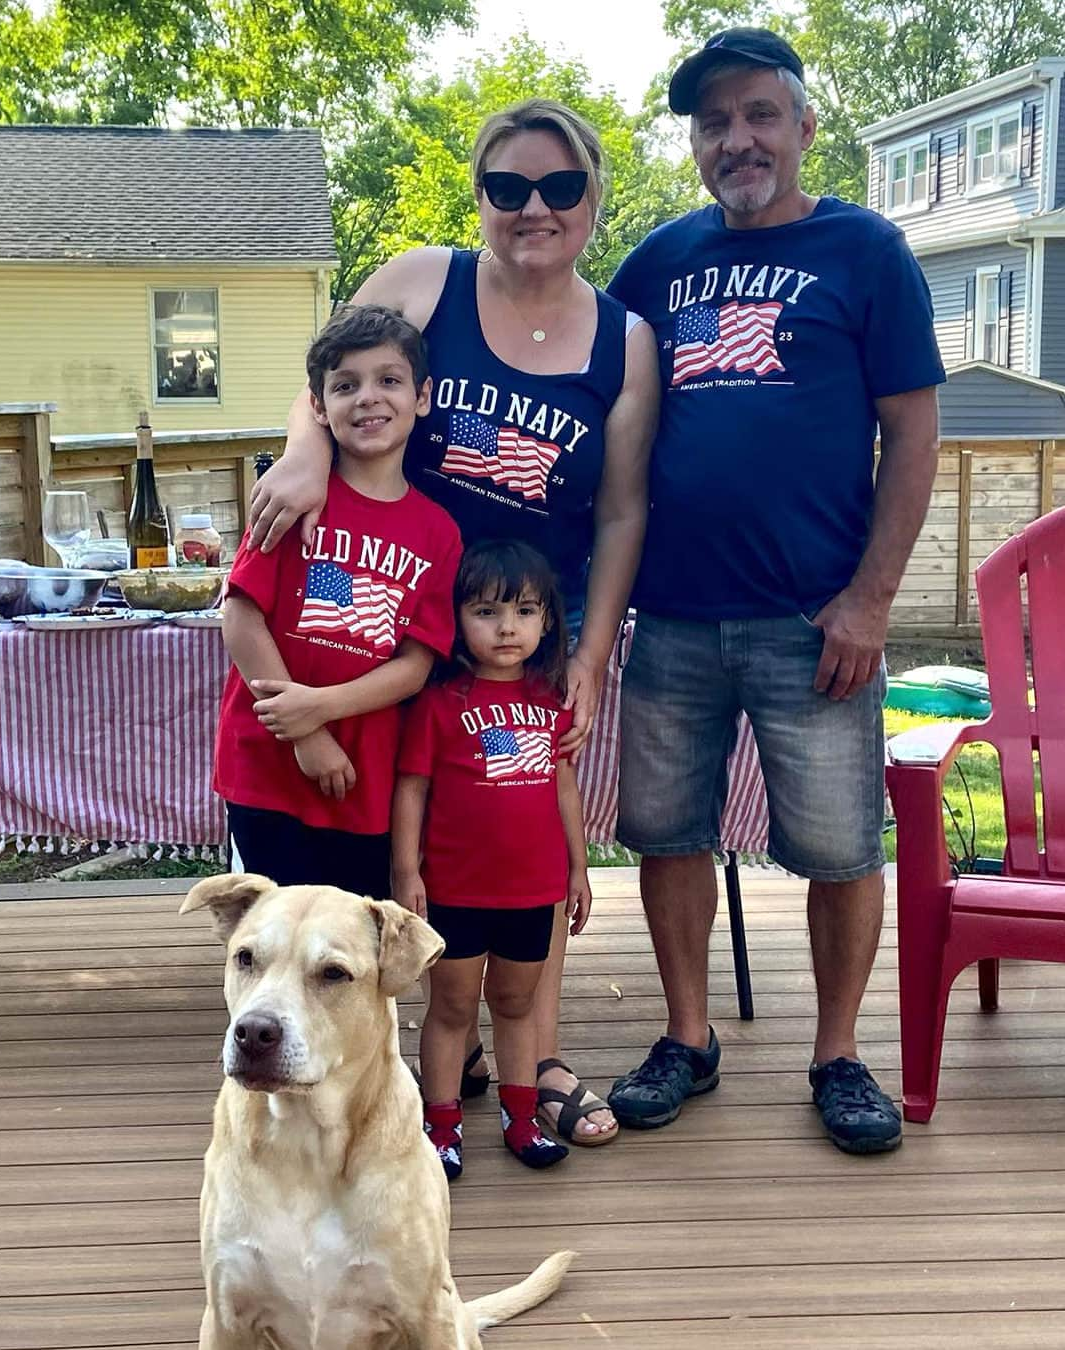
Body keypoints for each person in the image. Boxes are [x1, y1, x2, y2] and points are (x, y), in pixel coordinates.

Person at [247, 98, 660, 1145]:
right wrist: (301, 453)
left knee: (521, 819)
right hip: (397, 609)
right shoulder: (422, 280)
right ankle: (432, 1040)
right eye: (507, 187)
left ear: (593, 197)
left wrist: (594, 651)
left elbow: (619, 508)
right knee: (411, 822)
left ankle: (538, 1047)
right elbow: (330, 371)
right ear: (478, 196)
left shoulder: (625, 338)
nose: (534, 208)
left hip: (525, 627)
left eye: (560, 187)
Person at [605, 28, 946, 1154]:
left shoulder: (868, 252)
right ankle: (688, 1037)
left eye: (758, 114)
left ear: (803, 126)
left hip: (818, 624)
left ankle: (839, 1055)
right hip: (674, 618)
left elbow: (913, 433)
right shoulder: (656, 263)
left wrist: (870, 601)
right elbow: (575, 372)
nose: (735, 139)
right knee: (665, 835)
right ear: (697, 145)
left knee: (844, 848)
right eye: (713, 123)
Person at [213, 304, 461, 896]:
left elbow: (416, 664)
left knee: (348, 948)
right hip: (268, 766)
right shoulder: (294, 498)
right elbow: (240, 613)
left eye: (389, 381)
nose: (368, 398)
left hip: (362, 779)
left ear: (422, 397)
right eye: (345, 386)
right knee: (271, 941)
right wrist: (304, 734)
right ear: (319, 406)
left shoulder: (438, 532)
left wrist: (320, 709)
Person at [394, 539, 591, 1178]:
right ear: (457, 619)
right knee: (452, 1009)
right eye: (486, 612)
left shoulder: (551, 698)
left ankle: (521, 1118)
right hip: (455, 889)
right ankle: (442, 1126)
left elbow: (564, 784)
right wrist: (406, 871)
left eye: (525, 612)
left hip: (531, 891)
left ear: (548, 621)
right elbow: (413, 788)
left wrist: (578, 869)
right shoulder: (438, 702)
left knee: (516, 1006)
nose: (508, 628)